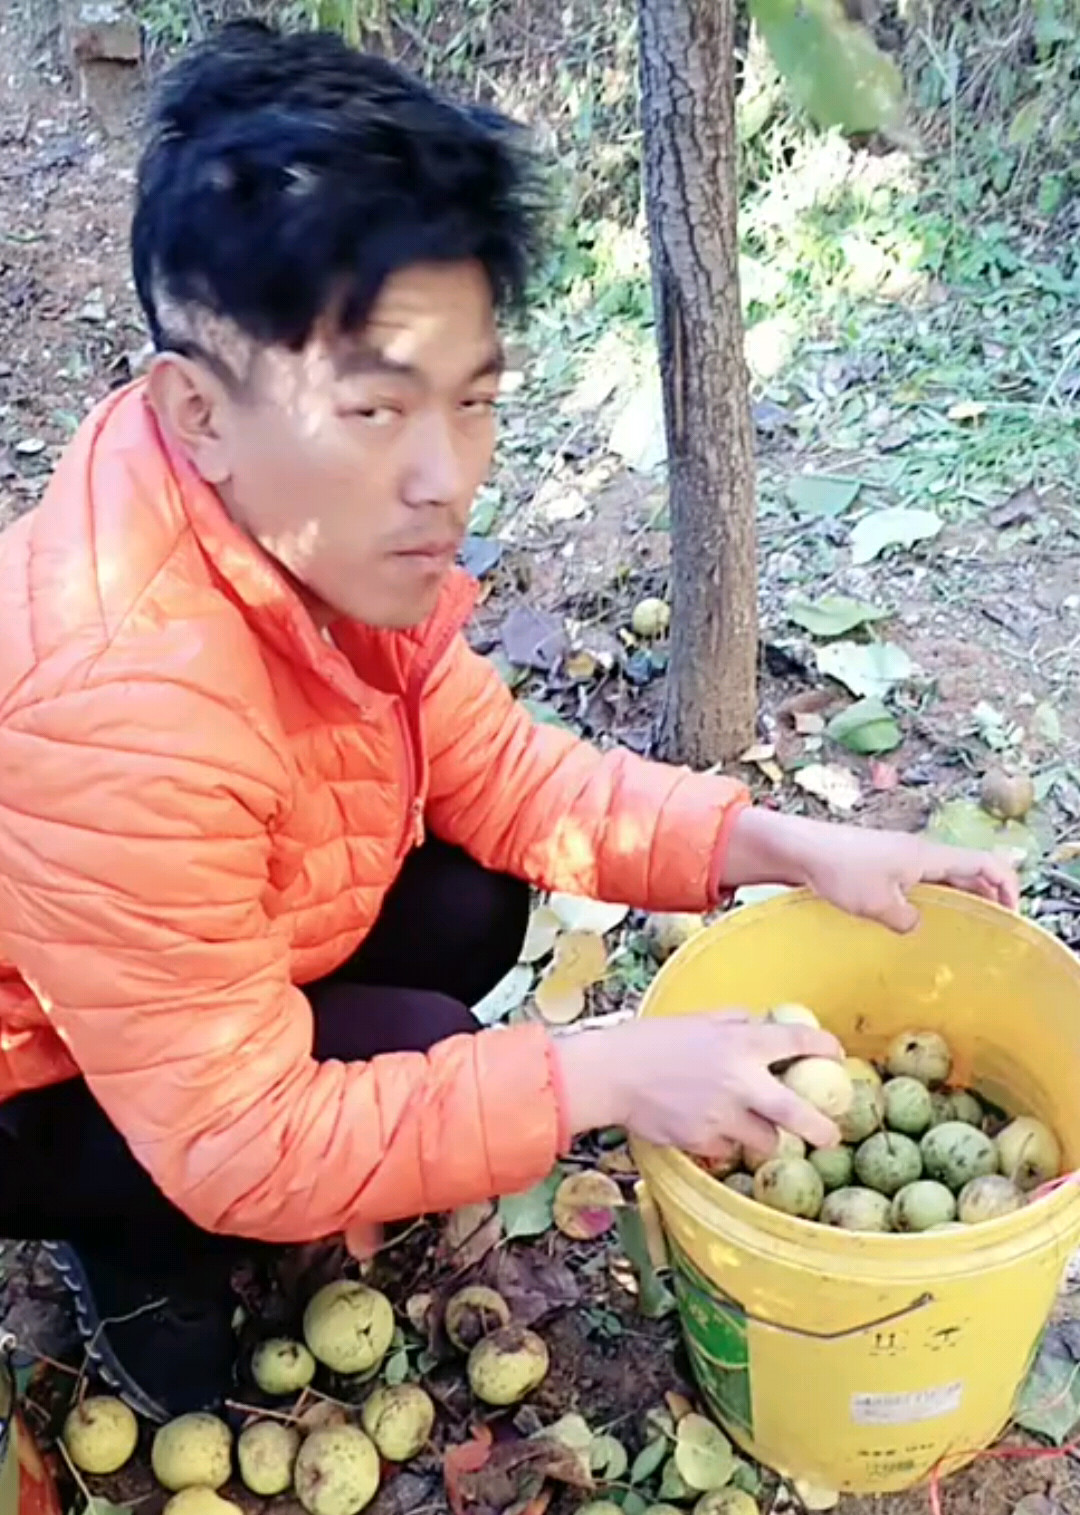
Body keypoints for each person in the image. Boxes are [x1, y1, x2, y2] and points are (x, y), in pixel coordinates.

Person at [0, 23, 1017, 1423]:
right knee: (388, 1065)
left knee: (478, 899)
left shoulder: (309, 530)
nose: (444, 479)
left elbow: (506, 774)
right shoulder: (119, 703)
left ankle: (286, 1111)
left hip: (180, 949)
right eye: (374, 408)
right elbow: (239, 1137)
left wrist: (790, 846)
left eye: (472, 403)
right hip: (31, 1062)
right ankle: (130, 1248)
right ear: (200, 409)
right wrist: (602, 1074)